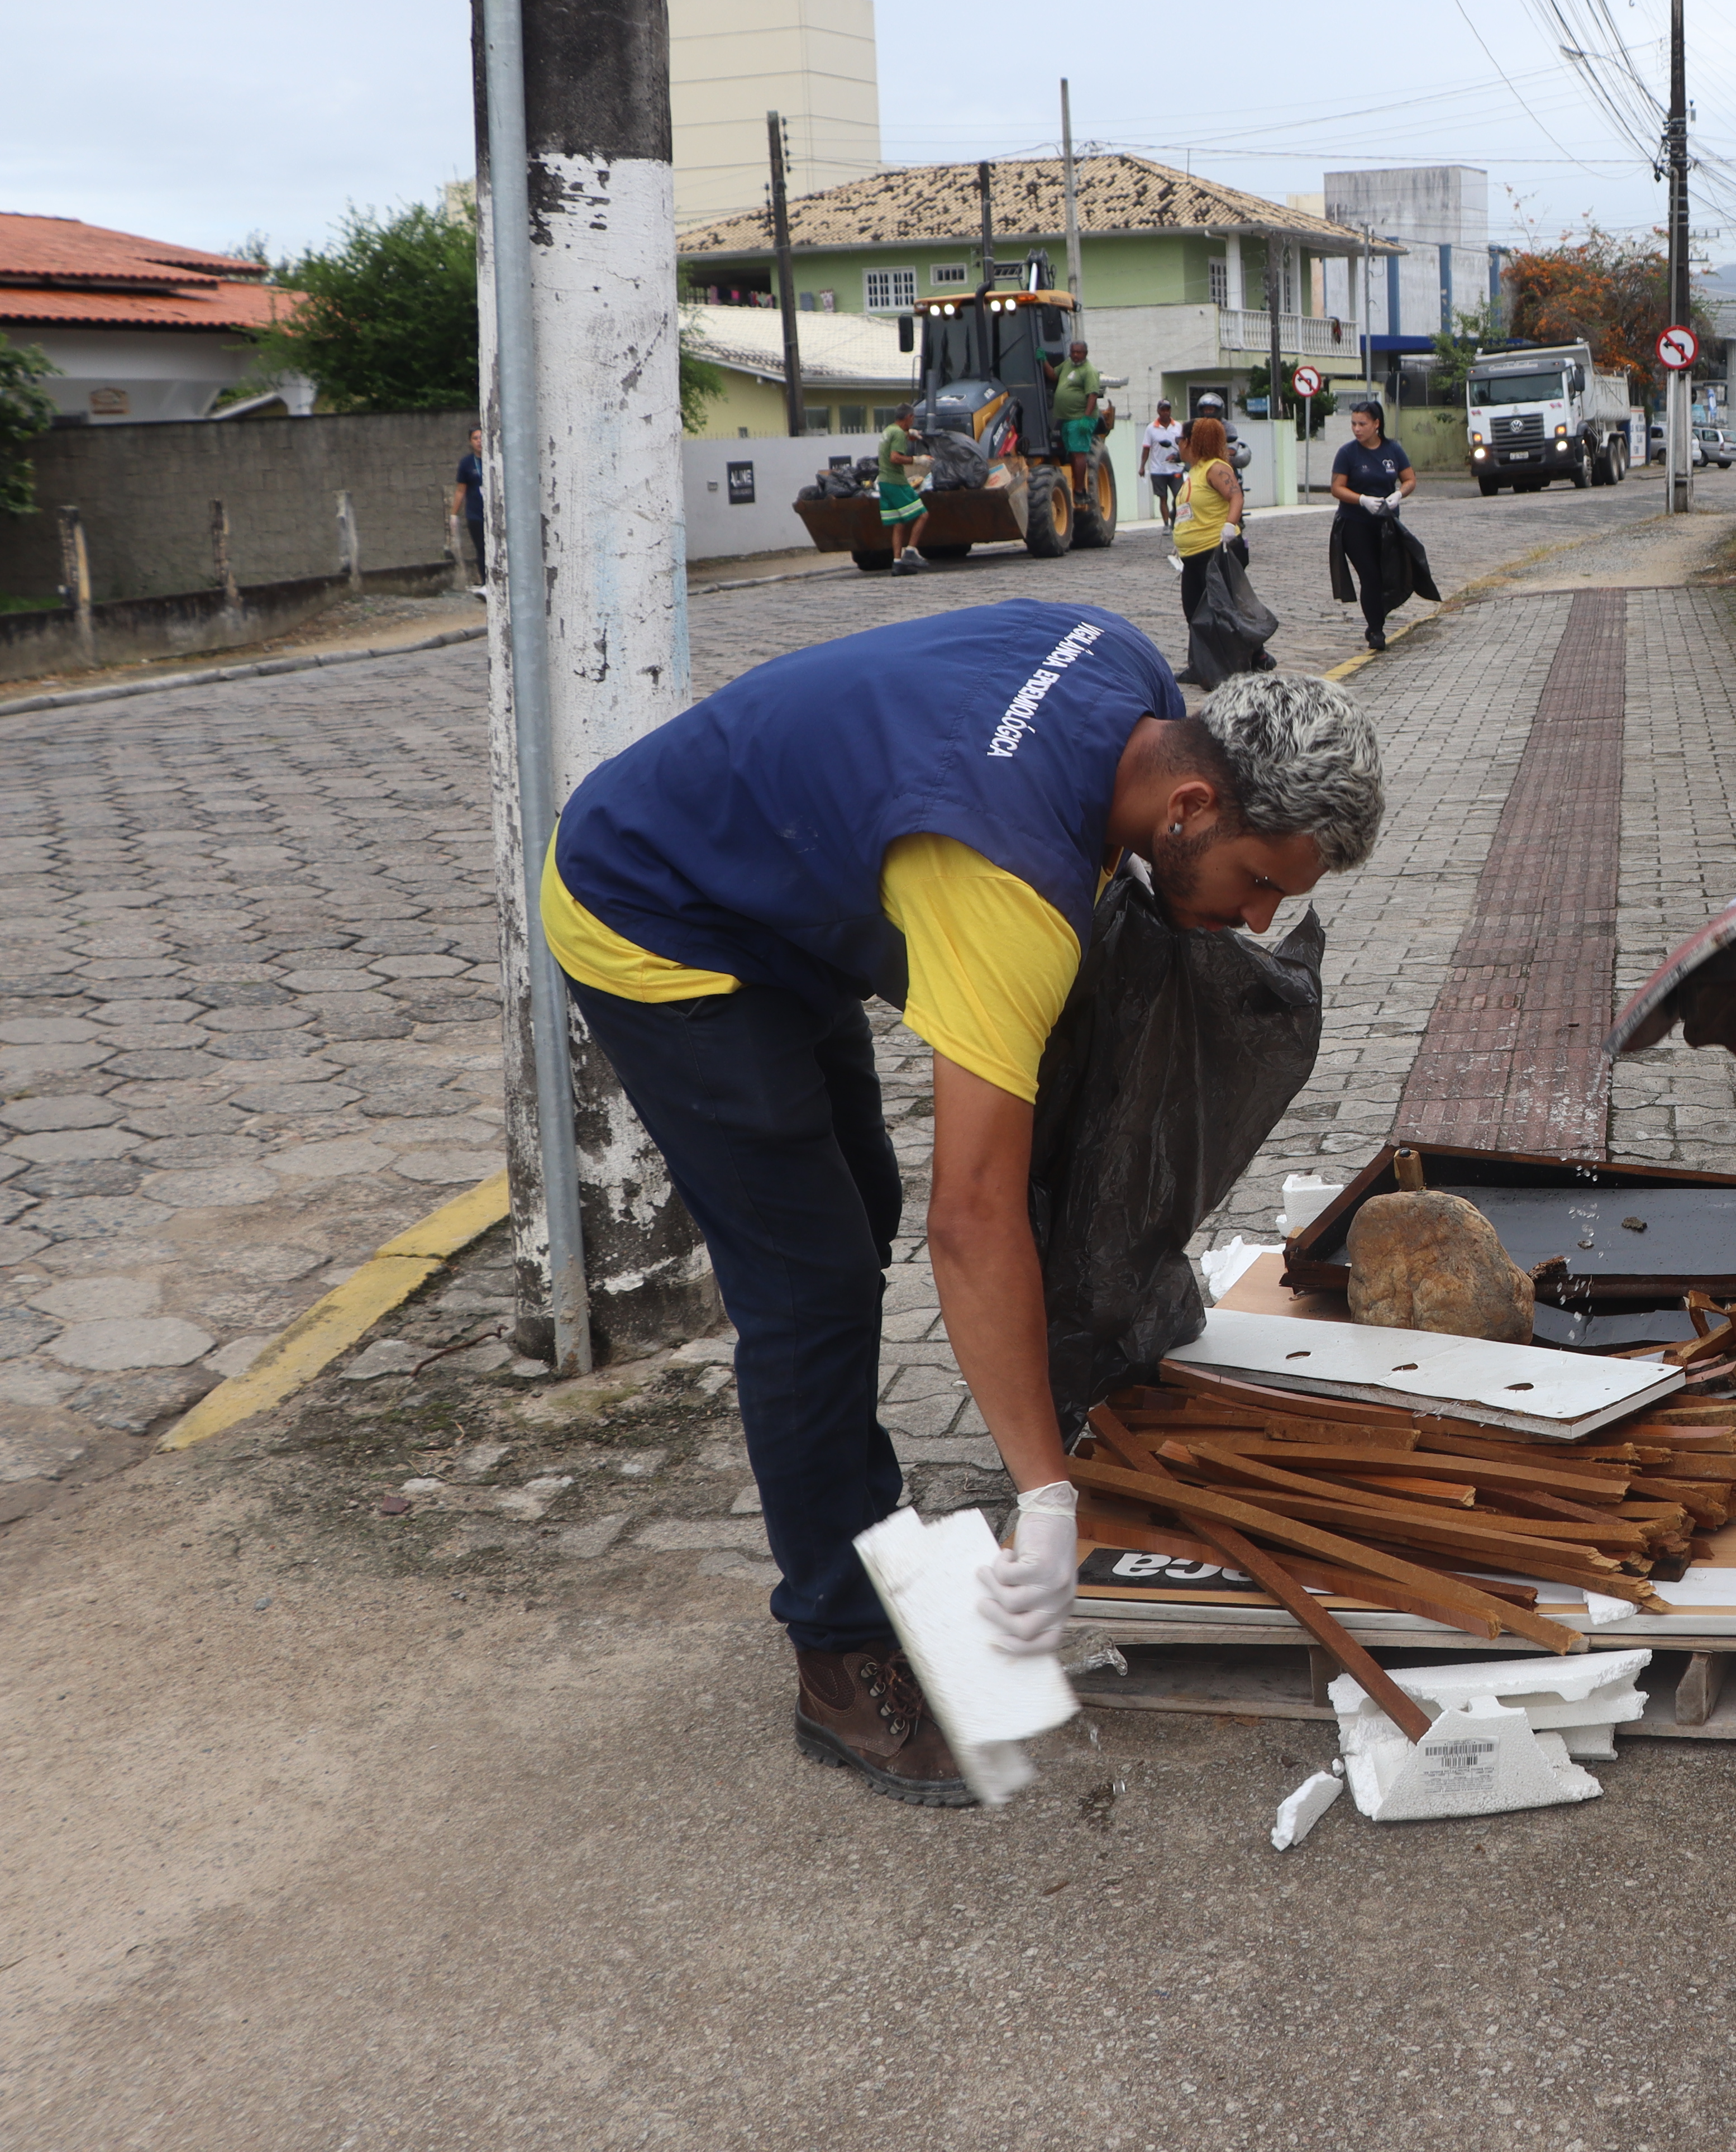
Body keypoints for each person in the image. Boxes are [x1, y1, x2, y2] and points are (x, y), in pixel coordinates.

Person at [540, 607, 1385, 1806]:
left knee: (858, 1197)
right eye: (1258, 882)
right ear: (1191, 806)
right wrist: (1047, 1492)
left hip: (780, 878)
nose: (1258, 921)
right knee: (809, 1274)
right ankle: (836, 1653)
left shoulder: (1126, 665)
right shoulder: (1007, 890)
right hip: (655, 909)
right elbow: (973, 1219)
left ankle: (859, 1513)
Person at [1328, 401, 1418, 652]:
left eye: (1363, 424)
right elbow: (1337, 487)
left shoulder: (1393, 450)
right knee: (1370, 577)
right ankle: (1376, 631)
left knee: (1389, 575)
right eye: (1354, 424)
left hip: (1386, 524)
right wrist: (1361, 499)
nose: (1357, 429)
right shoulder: (1348, 453)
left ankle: (1377, 619)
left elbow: (1409, 479)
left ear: (1377, 424)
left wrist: (1399, 494)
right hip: (1355, 523)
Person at [1174, 412, 1247, 649]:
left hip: (1214, 551)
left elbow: (1236, 496)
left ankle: (1253, 655)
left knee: (1223, 610)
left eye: (1179, 440)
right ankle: (1202, 664)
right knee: (1194, 612)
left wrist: (1230, 524)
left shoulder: (1216, 468)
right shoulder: (1195, 471)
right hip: (1192, 555)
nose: (1178, 445)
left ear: (1190, 442)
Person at [874, 402, 932, 574]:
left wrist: (910, 434)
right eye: (913, 419)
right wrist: (918, 460)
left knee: (898, 524)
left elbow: (898, 439)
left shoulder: (890, 430)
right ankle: (911, 551)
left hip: (884, 482)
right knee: (923, 514)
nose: (913, 422)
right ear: (909, 417)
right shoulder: (898, 434)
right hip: (896, 482)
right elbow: (895, 457)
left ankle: (898, 563)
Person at [1052, 339, 1103, 456]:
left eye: (1079, 352)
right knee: (1071, 454)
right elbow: (1054, 375)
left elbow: (1093, 395)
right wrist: (1043, 360)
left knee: (1078, 454)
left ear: (1085, 353)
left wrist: (1086, 418)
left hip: (1080, 418)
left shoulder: (1090, 371)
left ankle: (1080, 476)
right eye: (1073, 352)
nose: (1075, 355)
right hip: (1067, 418)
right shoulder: (1067, 364)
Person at [451, 427, 486, 596]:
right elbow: (460, 490)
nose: (479, 441)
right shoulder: (467, 463)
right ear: (470, 442)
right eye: (475, 438)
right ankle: (486, 583)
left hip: (495, 514)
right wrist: (453, 514)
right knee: (482, 549)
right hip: (476, 513)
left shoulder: (497, 458)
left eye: (482, 437)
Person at [1139, 400, 1185, 529]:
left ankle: (1174, 516)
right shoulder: (1151, 428)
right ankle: (1166, 524)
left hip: (1176, 468)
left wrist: (1179, 458)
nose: (1166, 412)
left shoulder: (1178, 427)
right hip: (1158, 469)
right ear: (1159, 411)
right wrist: (1142, 466)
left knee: (1179, 496)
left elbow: (1183, 445)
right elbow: (1146, 448)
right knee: (1162, 498)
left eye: (1168, 410)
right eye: (1163, 410)